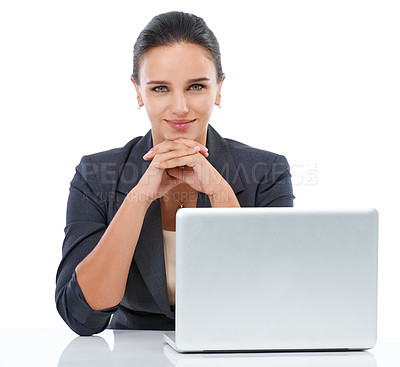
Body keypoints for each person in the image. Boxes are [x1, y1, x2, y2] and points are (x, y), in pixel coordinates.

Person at [55, 11, 295, 336]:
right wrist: (139, 197)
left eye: (196, 86)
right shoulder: (96, 176)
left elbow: (276, 301)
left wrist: (219, 191)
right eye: (160, 89)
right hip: (131, 357)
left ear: (219, 88)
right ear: (138, 91)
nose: (180, 106)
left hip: (231, 351)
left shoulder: (267, 173)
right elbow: (82, 316)